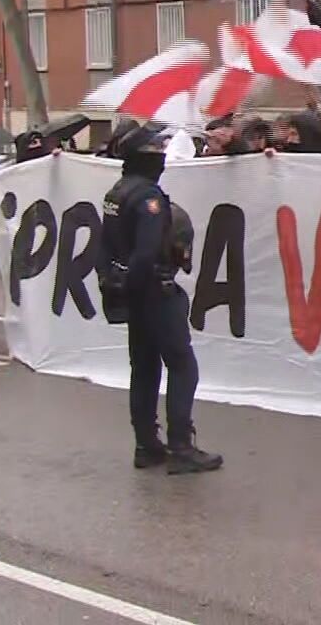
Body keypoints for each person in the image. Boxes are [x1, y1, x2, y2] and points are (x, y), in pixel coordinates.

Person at [101, 122, 221, 475]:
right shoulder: (148, 198)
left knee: (144, 368)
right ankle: (181, 446)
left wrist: (116, 285)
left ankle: (146, 445)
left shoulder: (116, 192)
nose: (162, 156)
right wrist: (139, 283)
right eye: (156, 150)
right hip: (154, 291)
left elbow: (105, 247)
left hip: (132, 294)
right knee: (183, 366)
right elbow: (147, 251)